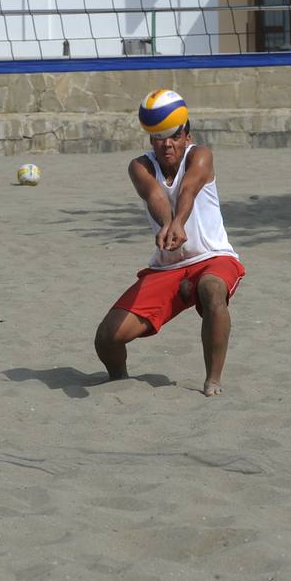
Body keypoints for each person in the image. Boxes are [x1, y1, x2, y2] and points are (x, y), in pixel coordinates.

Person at [94, 90, 245, 397]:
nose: (167, 144)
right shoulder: (140, 166)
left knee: (212, 289)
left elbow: (188, 189)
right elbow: (155, 196)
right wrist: (167, 223)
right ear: (151, 139)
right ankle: (120, 380)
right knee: (107, 337)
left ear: (187, 137)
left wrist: (178, 223)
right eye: (159, 137)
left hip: (213, 257)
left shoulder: (200, 155)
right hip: (168, 267)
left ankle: (213, 380)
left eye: (174, 137)